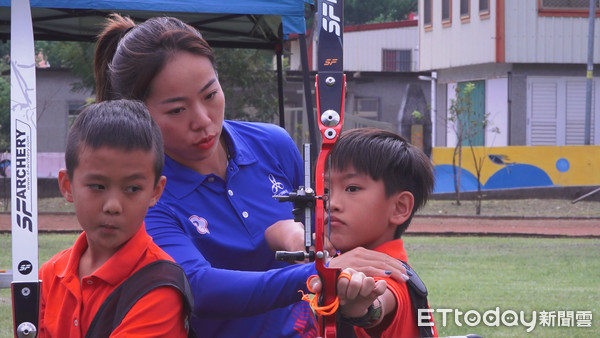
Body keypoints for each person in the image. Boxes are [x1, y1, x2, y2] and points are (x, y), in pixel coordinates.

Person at [94, 14, 409, 337]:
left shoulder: (273, 145)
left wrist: (309, 245)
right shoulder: (146, 192)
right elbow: (198, 288)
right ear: (139, 112)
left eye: (210, 95)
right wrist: (318, 273)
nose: (202, 121)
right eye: (177, 110)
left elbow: (323, 239)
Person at [38, 100, 191, 337]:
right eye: (98, 186)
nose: (113, 206)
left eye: (132, 189)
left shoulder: (158, 287)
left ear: (155, 192)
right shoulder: (49, 276)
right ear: (68, 186)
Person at [306, 127, 439, 337]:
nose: (331, 204)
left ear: (399, 207)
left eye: (352, 188)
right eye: (326, 191)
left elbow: (378, 301)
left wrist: (360, 306)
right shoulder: (340, 257)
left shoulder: (390, 275)